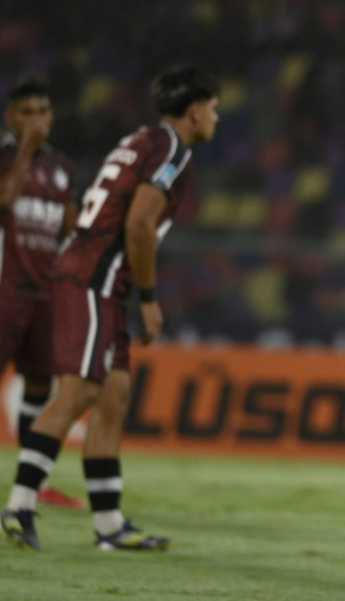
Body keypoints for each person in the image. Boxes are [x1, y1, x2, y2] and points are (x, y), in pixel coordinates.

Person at [1, 64, 221, 551]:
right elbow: (140, 225)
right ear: (194, 110)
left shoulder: (143, 138)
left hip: (95, 275)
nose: (217, 118)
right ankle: (19, 505)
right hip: (95, 277)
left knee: (114, 394)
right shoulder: (171, 150)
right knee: (77, 392)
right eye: (214, 109)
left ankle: (108, 526)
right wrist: (148, 297)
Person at [0, 75, 85, 510]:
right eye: (27, 112)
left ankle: (30, 484)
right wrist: (26, 152)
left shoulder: (62, 168)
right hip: (4, 290)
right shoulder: (5, 158)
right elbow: (4, 202)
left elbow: (70, 231)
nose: (37, 120)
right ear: (10, 117)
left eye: (43, 111)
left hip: (44, 292)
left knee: (39, 383)